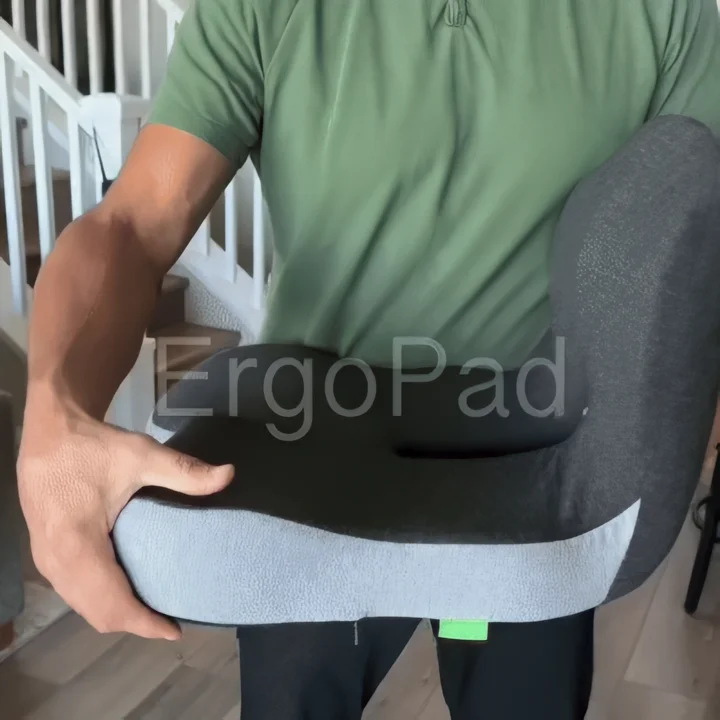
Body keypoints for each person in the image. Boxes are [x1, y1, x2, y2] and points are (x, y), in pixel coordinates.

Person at [16, 0, 720, 718]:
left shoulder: (664, 13)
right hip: (312, 445)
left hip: (530, 455)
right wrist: (55, 411)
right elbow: (132, 223)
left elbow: (697, 227)